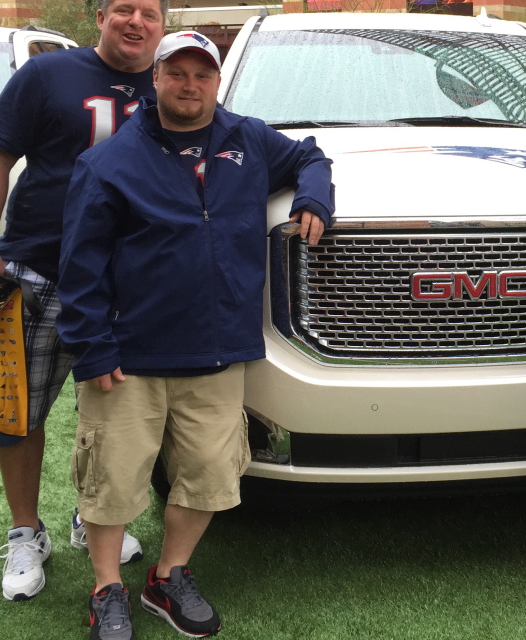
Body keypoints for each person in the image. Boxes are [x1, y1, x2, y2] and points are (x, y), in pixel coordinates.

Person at [57, 31, 335, 640]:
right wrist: (95, 347)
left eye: (201, 74)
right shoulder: (108, 162)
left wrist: (314, 193)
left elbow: (310, 155)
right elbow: (78, 268)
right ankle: (107, 587)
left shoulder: (248, 139)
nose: (189, 85)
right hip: (129, 357)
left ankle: (167, 575)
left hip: (217, 351)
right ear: (154, 80)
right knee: (113, 480)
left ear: (216, 81)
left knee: (212, 475)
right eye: (176, 73)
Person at [0, 0, 168, 602]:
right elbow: (2, 154)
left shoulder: (170, 84)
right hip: (36, 269)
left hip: (126, 283)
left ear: (162, 26)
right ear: (100, 17)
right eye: (124, 10)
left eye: (149, 15)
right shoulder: (46, 75)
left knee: (109, 413)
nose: (136, 23)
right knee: (19, 410)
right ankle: (23, 531)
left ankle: (90, 517)